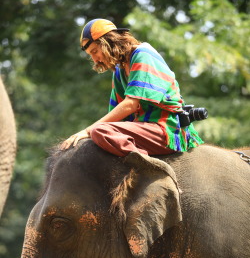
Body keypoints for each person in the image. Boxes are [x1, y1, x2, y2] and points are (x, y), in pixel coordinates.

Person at [61, 18, 204, 156]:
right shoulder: (119, 71)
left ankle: (148, 168)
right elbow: (117, 116)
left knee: (99, 131)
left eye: (94, 51)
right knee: (98, 135)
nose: (95, 59)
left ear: (108, 42)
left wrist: (87, 131)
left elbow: (130, 105)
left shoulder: (143, 54)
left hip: (166, 129)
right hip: (142, 129)